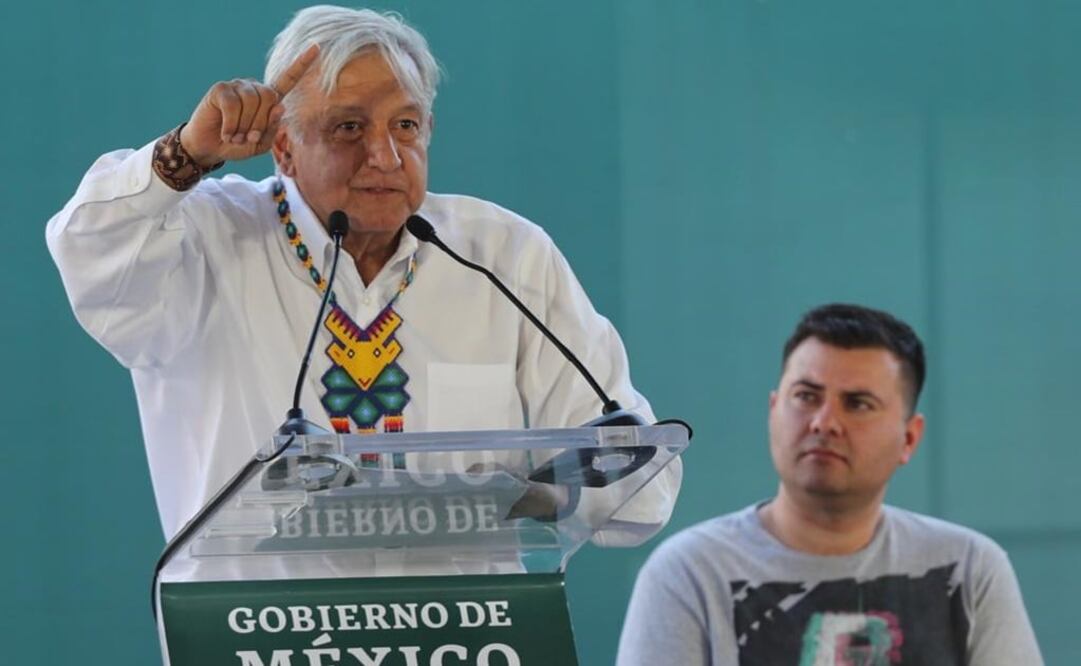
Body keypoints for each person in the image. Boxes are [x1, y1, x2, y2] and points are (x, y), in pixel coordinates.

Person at [46, 6, 679, 547]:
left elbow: (637, 478)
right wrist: (189, 153)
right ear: (284, 148)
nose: (385, 155)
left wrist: (522, 500)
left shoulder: (503, 255)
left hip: (468, 630)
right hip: (256, 638)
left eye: (405, 125)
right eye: (348, 127)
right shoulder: (208, 236)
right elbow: (89, 245)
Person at [617, 304, 1041, 665]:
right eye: (806, 396)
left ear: (908, 438)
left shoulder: (971, 570)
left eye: (857, 403)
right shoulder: (688, 573)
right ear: (773, 409)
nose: (824, 422)